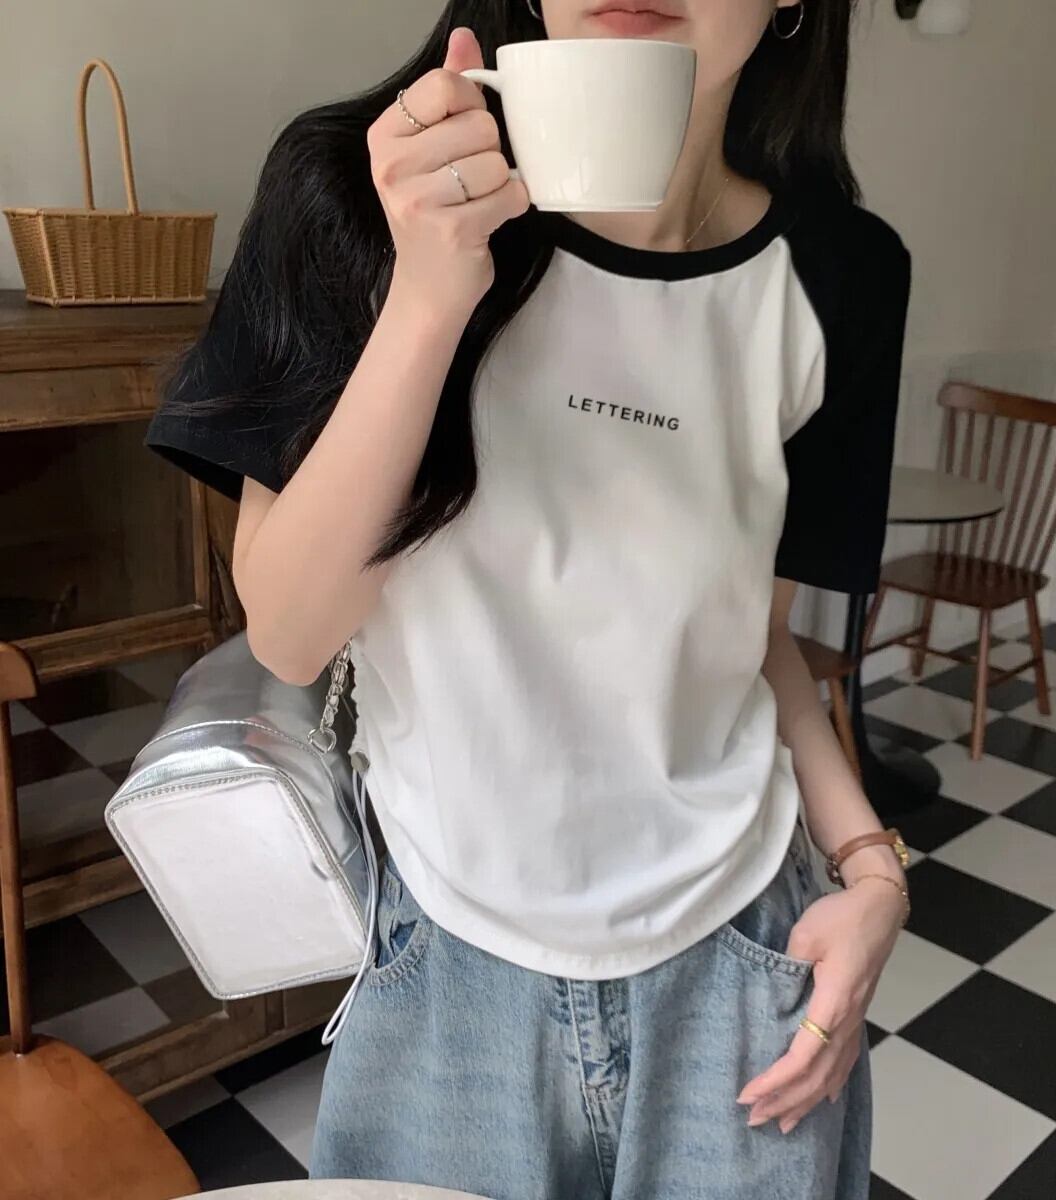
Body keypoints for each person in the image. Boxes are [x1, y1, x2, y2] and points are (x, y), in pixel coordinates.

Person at [145, 1, 913, 1196]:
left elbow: (758, 642)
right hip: (450, 968)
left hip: (744, 957)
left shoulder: (844, 272)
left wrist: (872, 872)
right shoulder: (358, 195)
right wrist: (428, 293)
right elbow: (291, 632)